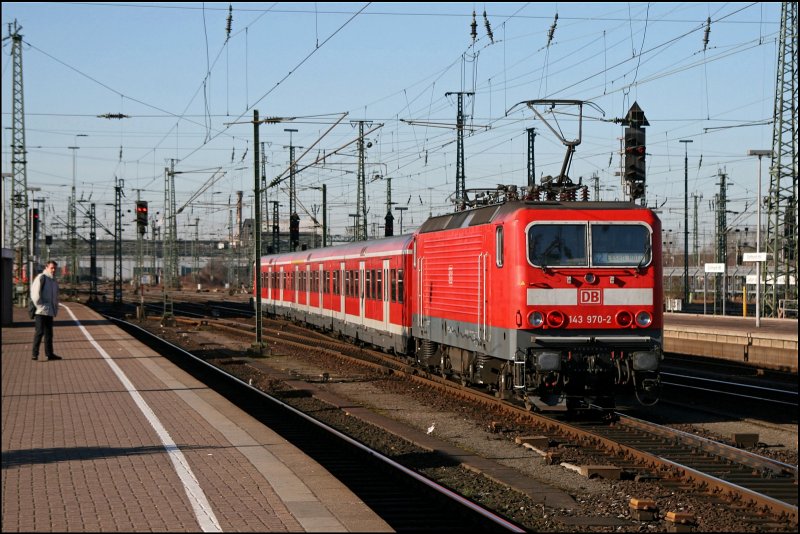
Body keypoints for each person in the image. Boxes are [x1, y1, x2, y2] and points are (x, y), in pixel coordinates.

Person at [31, 260, 61, 361]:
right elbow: (35, 295)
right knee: (39, 332)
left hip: (50, 310)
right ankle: (34, 354)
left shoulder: (53, 281)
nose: (53, 270)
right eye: (51, 268)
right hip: (41, 311)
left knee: (49, 334)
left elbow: (56, 296)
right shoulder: (41, 277)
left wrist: (55, 308)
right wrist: (40, 306)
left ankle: (50, 354)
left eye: (55, 268)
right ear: (46, 267)